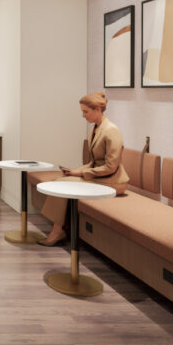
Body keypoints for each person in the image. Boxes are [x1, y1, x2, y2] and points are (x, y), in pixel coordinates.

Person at [40, 91, 129, 246]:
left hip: (112, 181)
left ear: (98, 110)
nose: (83, 115)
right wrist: (75, 171)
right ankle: (60, 228)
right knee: (57, 181)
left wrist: (81, 173)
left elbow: (110, 167)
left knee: (62, 185)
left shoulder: (111, 131)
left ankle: (57, 232)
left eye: (85, 111)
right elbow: (94, 161)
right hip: (99, 175)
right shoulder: (95, 128)